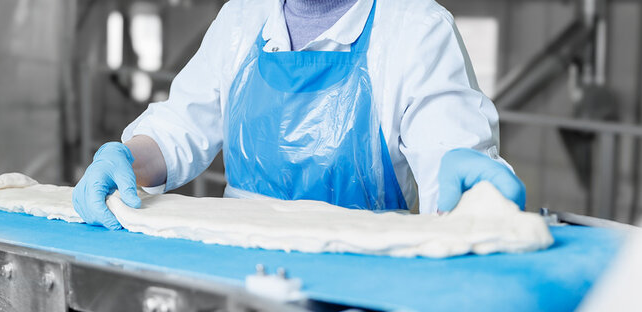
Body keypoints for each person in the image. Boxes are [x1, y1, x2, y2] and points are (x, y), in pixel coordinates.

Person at [74, 0, 526, 230]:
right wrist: (127, 160)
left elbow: (447, 151)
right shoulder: (242, 19)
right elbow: (180, 126)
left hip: (363, 279)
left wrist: (471, 189)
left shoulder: (414, 27)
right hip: (234, 266)